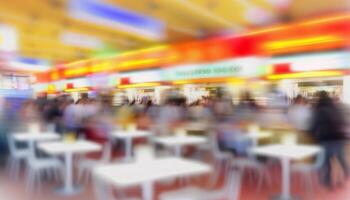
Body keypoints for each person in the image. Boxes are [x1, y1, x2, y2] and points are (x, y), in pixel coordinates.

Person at [310, 91, 349, 188]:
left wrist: (311, 134)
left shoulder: (318, 110)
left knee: (326, 162)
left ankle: (328, 182)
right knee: (341, 158)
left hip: (326, 139)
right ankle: (345, 173)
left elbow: (314, 125)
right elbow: (342, 121)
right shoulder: (335, 108)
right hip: (339, 138)